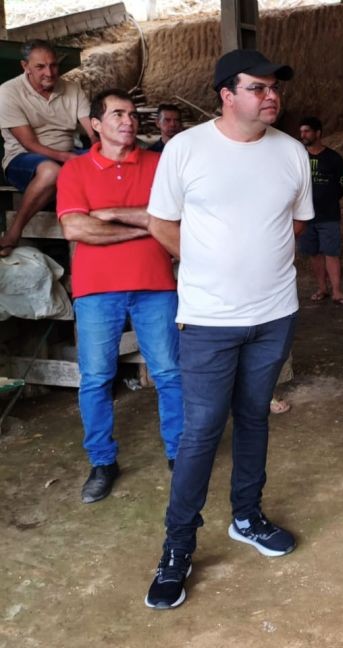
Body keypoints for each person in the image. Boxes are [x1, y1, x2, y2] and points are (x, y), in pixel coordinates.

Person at [143, 49, 313, 609]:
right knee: (201, 432)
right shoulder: (185, 148)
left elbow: (294, 224)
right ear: (226, 93)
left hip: (273, 315)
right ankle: (177, 546)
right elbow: (160, 222)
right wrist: (206, 267)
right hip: (209, 321)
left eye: (274, 88)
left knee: (255, 417)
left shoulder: (291, 152)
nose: (271, 96)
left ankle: (246, 515)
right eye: (258, 87)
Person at [55, 89, 181, 504]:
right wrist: (145, 226)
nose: (127, 121)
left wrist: (109, 214)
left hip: (155, 284)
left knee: (168, 372)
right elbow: (75, 229)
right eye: (116, 114)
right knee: (95, 378)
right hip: (96, 291)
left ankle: (180, 454)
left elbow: (172, 218)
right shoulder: (74, 170)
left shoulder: (158, 163)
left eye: (131, 114)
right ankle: (102, 461)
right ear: (95, 123)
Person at [0, 39, 95, 256]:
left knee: (110, 161)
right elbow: (29, 144)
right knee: (52, 171)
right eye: (40, 67)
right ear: (25, 67)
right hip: (24, 158)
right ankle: (14, 232)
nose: (49, 72)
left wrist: (98, 148)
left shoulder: (72, 88)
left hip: (67, 154)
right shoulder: (8, 91)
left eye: (53, 65)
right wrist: (69, 158)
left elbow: (92, 130)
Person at [298, 116, 343, 305]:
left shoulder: (333, 158)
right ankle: (322, 289)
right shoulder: (298, 157)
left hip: (328, 214)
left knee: (331, 252)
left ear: (318, 133)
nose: (303, 135)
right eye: (301, 131)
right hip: (305, 216)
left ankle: (337, 291)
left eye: (307, 131)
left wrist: (329, 197)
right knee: (314, 253)